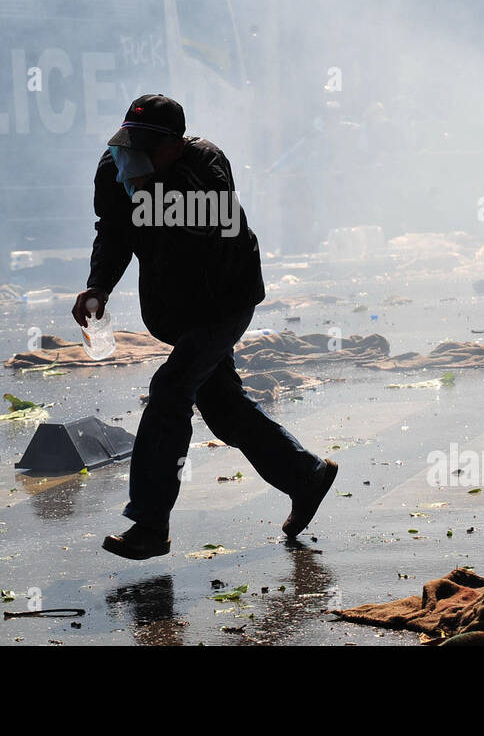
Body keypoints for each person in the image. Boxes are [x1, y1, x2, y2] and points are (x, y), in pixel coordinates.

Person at [72, 94, 337, 560]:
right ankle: (305, 476)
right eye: (127, 145)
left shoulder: (205, 167)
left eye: (145, 148)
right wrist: (98, 287)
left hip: (223, 302)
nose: (130, 158)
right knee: (222, 406)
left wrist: (151, 196)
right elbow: (113, 231)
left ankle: (150, 523)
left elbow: (205, 229)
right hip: (175, 309)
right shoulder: (114, 169)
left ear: (175, 147)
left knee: (171, 391)